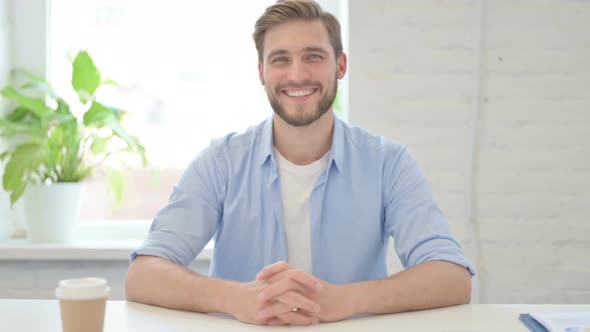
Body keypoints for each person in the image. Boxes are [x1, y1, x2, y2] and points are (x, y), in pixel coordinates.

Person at [126, 0, 474, 326]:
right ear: (262, 71)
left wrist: (341, 300)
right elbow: (144, 275)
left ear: (340, 65)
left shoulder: (388, 163)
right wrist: (235, 298)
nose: (297, 75)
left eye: (313, 56)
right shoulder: (220, 163)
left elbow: (452, 278)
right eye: (280, 59)